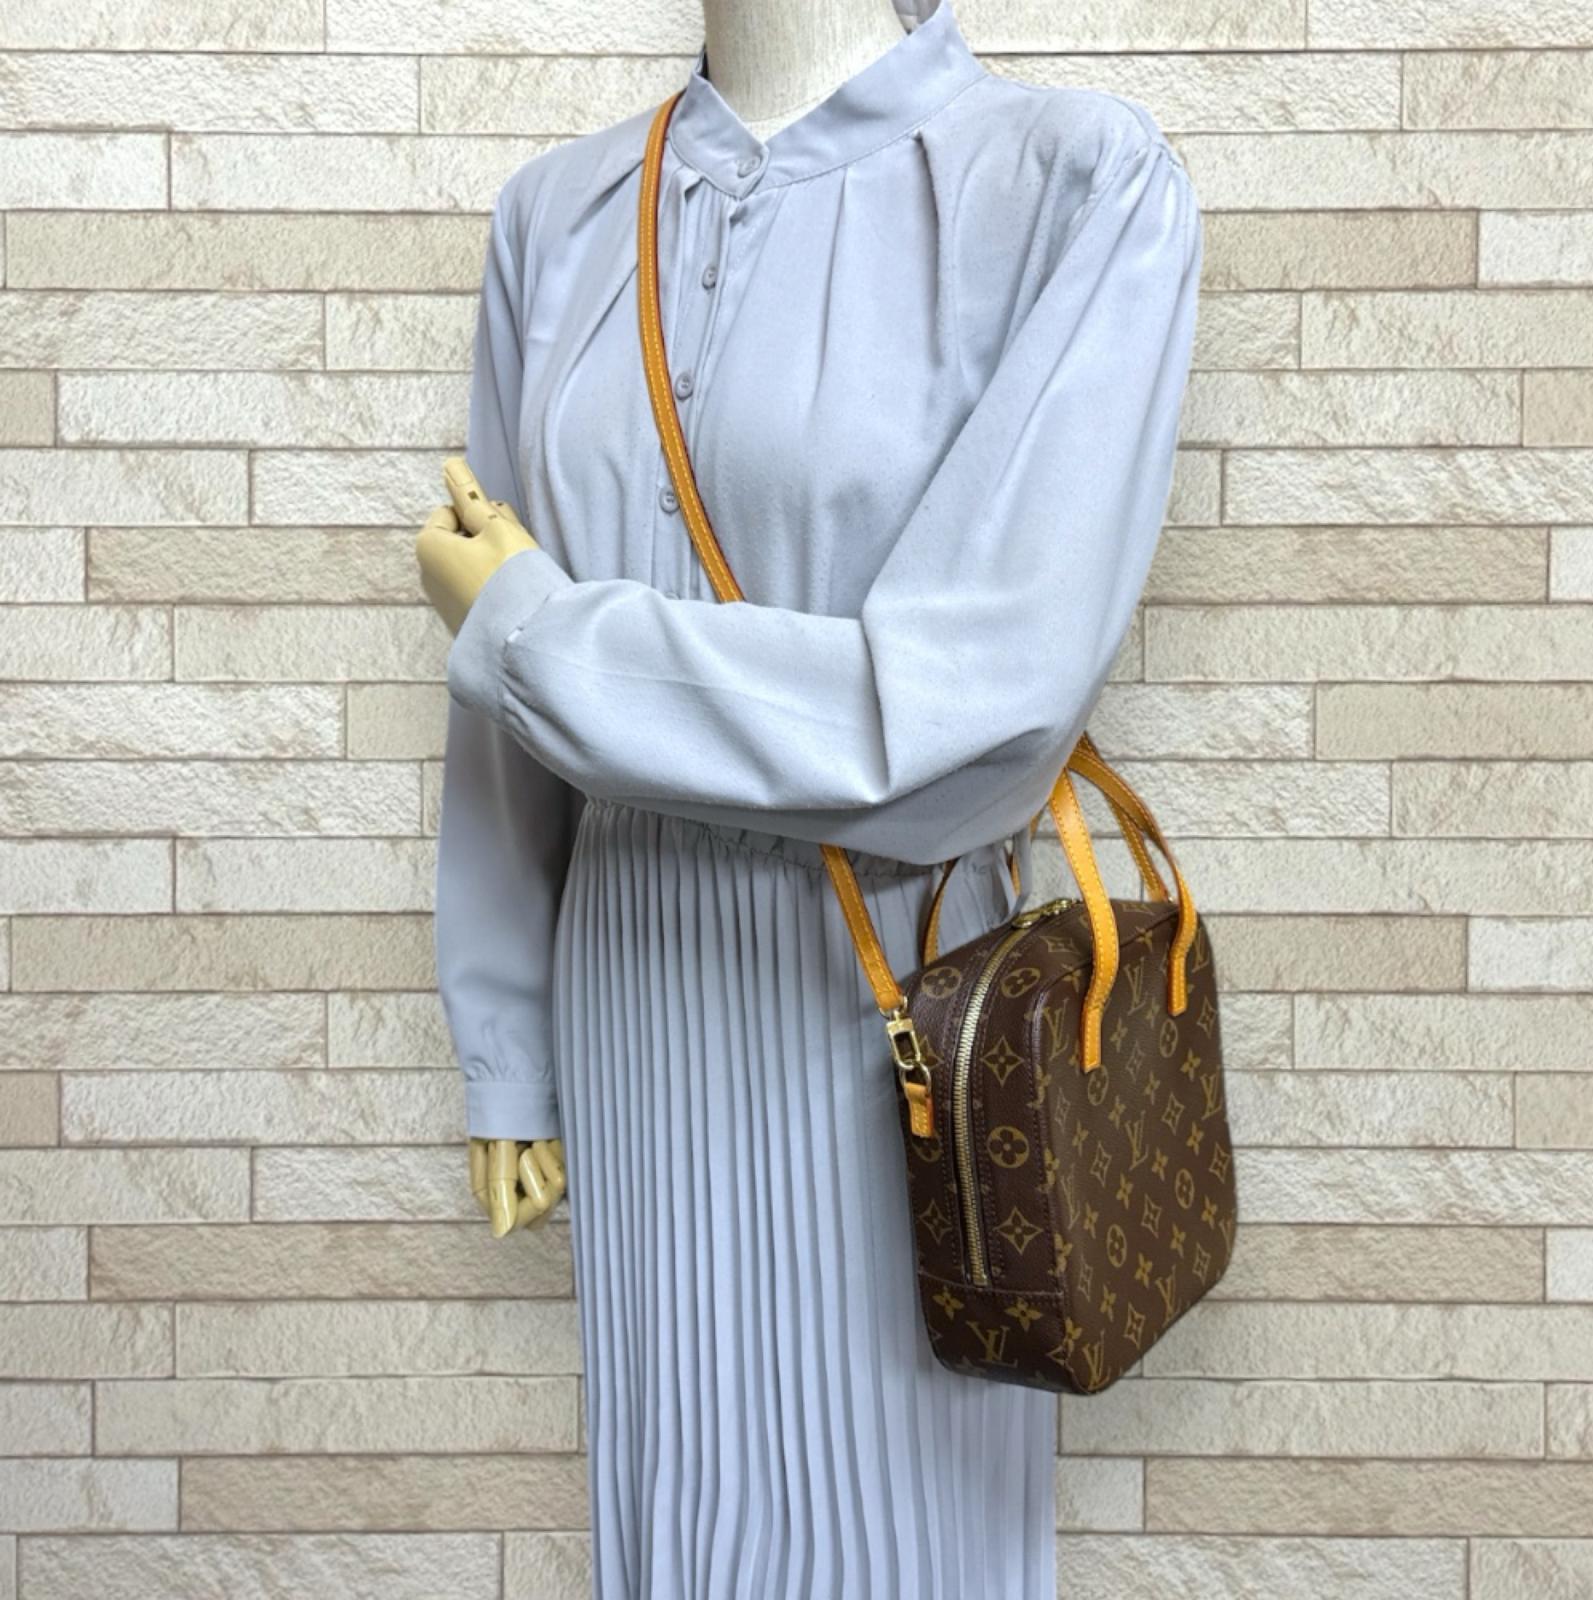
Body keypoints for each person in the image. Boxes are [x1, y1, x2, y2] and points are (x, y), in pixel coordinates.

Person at [414, 0, 1202, 1592]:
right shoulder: (557, 216)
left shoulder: (1073, 181)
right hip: (635, 996)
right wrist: (505, 1041)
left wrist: (549, 640)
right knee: (680, 1518)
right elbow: (502, 700)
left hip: (900, 1010)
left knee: (898, 1533)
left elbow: (977, 703)